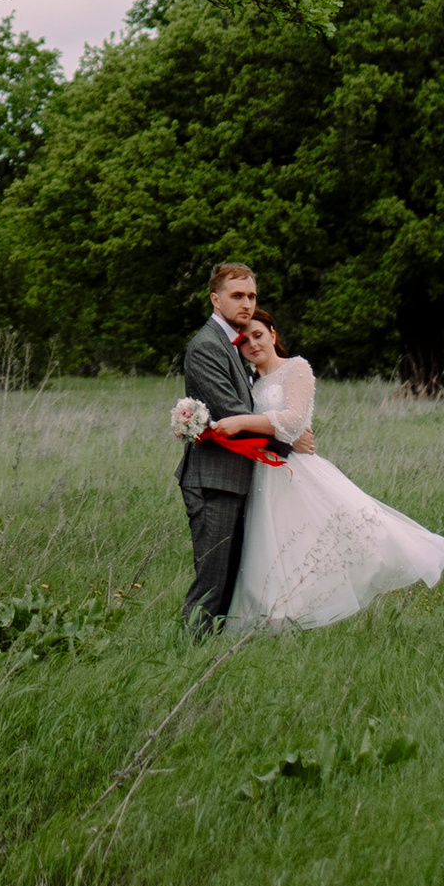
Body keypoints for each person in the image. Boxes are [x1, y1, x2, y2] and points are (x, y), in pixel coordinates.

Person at [223, 310, 444, 634]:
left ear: (273, 334)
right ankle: (273, 623)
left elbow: (293, 420)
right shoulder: (251, 383)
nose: (252, 345)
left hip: (295, 471)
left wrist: (245, 423)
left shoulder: (296, 368)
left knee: (334, 536)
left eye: (258, 335)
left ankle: (304, 615)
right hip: (262, 474)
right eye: (244, 341)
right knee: (270, 549)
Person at [175, 260, 289, 635]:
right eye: (237, 295)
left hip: (236, 478)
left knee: (229, 582)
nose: (247, 304)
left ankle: (207, 656)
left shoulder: (237, 343)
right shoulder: (206, 346)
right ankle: (186, 655)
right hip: (213, 480)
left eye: (252, 296)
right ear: (215, 298)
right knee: (212, 582)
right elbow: (231, 412)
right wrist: (288, 438)